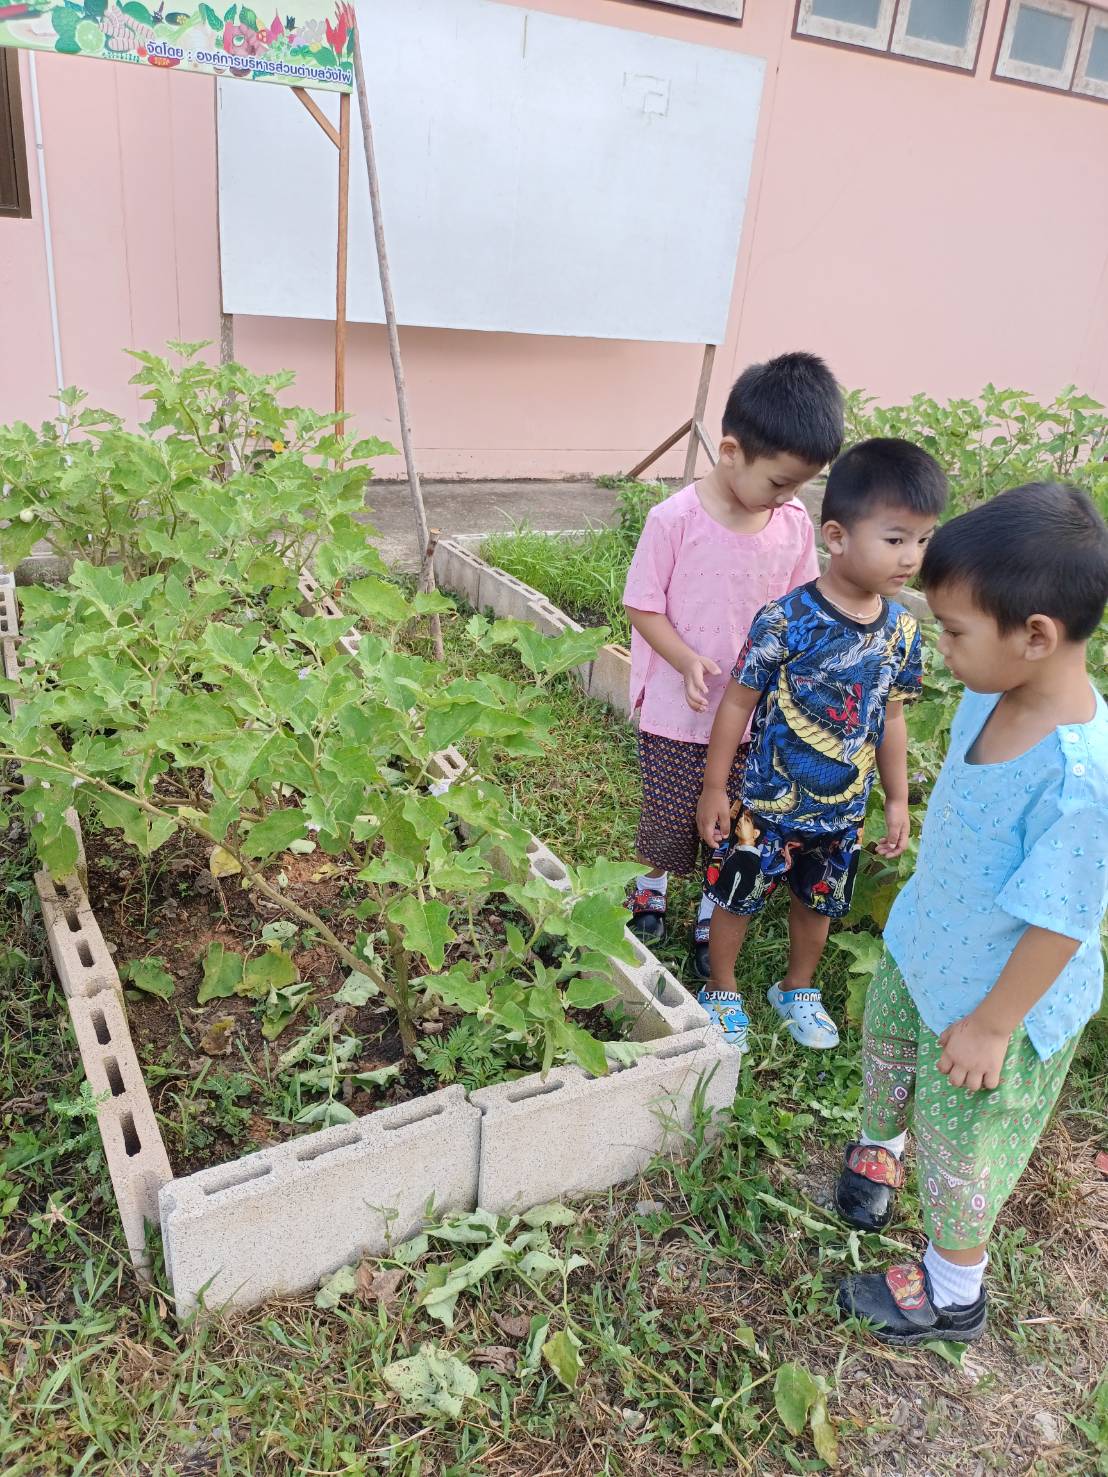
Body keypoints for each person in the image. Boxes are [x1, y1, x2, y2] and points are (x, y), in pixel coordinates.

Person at [836, 482, 1108, 1346]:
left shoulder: (1078, 780)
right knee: (886, 1052)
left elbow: (1061, 922)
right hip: (927, 949)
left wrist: (993, 1025)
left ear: (1035, 636)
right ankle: (880, 1146)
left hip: (997, 1001)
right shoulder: (994, 691)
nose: (939, 644)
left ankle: (954, 1290)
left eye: (953, 630)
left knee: (962, 1148)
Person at [695, 439, 948, 1048]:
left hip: (842, 812)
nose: (910, 557)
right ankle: (721, 987)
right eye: (894, 539)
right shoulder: (785, 619)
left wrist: (894, 799)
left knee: (820, 903)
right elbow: (737, 701)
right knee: (738, 893)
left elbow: (890, 719)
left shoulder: (902, 633)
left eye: (922, 540)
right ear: (835, 536)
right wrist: (713, 786)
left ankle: (797, 987)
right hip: (768, 804)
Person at [622, 352, 842, 992]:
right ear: (731, 451)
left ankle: (707, 917)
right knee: (668, 816)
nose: (789, 496)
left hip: (752, 716)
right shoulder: (674, 520)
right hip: (678, 707)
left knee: (734, 825)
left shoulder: (793, 525)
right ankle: (650, 891)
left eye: (800, 484)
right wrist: (686, 658)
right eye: (779, 482)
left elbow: (801, 606)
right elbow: (642, 604)